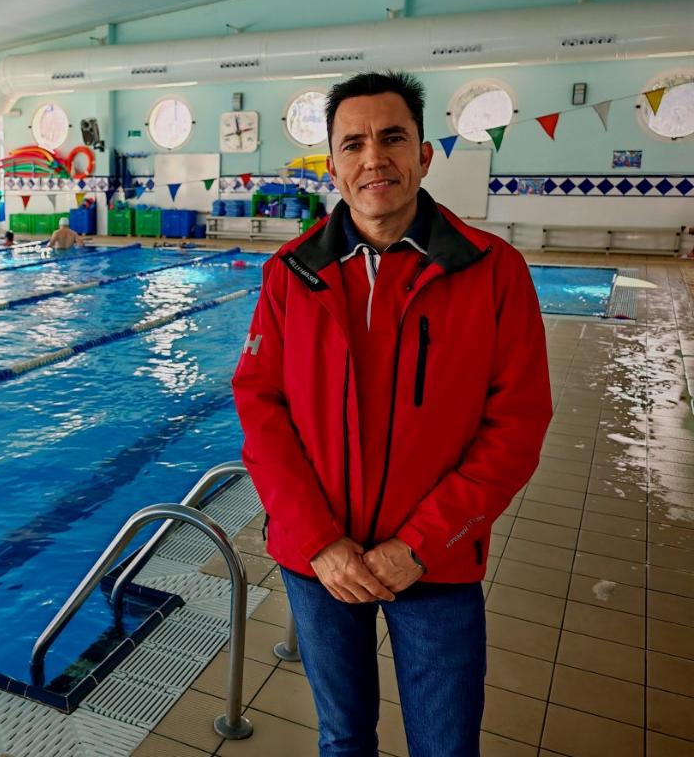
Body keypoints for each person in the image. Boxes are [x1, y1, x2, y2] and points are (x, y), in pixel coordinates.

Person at [232, 71, 551, 757]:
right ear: (333, 167)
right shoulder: (291, 273)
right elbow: (262, 410)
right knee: (343, 737)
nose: (373, 157)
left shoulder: (494, 272)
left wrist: (419, 545)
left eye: (392, 137)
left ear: (425, 156)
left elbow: (517, 426)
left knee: (445, 745)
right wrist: (318, 539)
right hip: (321, 561)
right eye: (353, 143)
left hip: (433, 564)